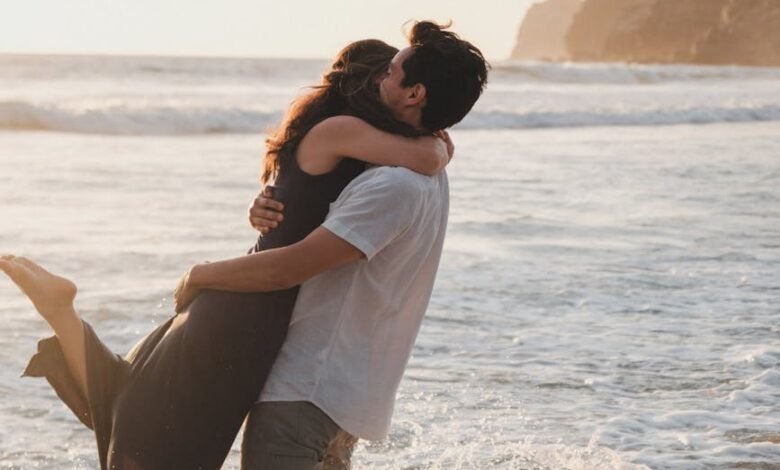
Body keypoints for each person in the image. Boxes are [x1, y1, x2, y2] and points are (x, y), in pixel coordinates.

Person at [0, 38, 454, 470]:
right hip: (248, 300)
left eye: (392, 77)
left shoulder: (353, 148)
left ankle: (61, 311)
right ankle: (60, 310)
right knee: (147, 427)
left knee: (137, 406)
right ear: (364, 83)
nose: (384, 85)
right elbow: (430, 156)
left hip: (247, 294)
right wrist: (437, 140)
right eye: (384, 75)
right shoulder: (343, 132)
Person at [180, 21, 490, 469]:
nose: (382, 77)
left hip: (308, 390)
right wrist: (276, 202)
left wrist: (198, 274)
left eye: (393, 71)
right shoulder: (422, 174)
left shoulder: (393, 184)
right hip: (340, 394)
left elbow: (285, 269)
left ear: (413, 94)